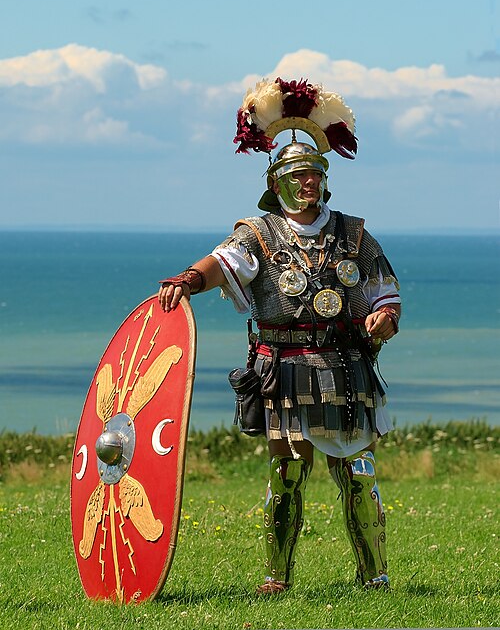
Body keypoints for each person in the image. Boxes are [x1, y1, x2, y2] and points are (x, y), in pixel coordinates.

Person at [158, 78, 401, 594]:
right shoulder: (259, 232)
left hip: (345, 365)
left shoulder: (353, 232)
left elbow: (383, 290)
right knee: (286, 480)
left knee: (358, 474)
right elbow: (224, 265)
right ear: (277, 181)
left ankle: (374, 575)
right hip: (284, 369)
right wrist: (188, 280)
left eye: (314, 172)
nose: (307, 182)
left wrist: (384, 318)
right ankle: (278, 578)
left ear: (325, 178)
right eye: (297, 174)